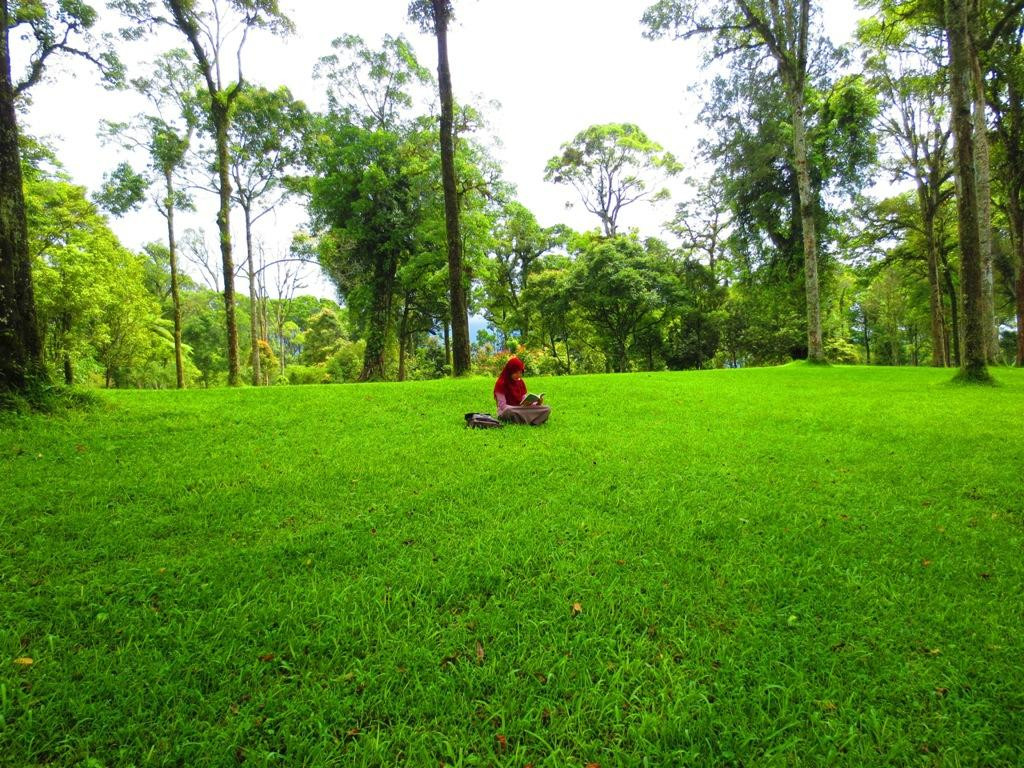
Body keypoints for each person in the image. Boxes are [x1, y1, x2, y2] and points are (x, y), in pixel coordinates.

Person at [493, 356, 551, 425]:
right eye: (516, 373)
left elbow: (524, 400)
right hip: (509, 411)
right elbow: (502, 406)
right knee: (509, 411)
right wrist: (519, 407)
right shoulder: (501, 383)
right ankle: (530, 420)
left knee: (547, 409)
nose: (518, 375)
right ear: (510, 371)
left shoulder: (520, 382)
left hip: (521, 409)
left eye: (520, 373)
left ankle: (525, 420)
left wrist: (537, 403)